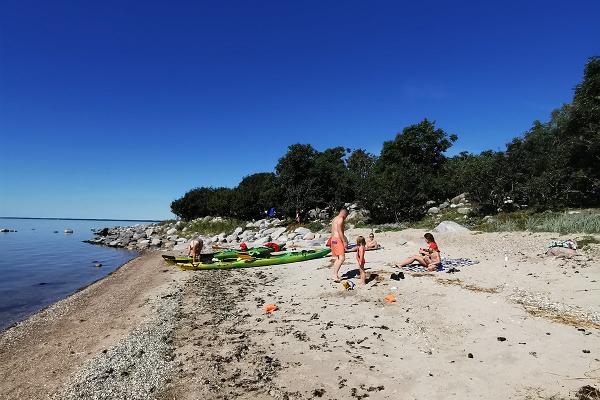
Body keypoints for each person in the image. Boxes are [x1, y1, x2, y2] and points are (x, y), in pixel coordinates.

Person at [330, 208, 348, 282]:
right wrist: (344, 241)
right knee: (342, 258)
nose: (346, 217)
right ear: (344, 213)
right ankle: (334, 275)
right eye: (346, 215)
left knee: (338, 258)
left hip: (333, 239)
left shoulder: (335, 218)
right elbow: (340, 231)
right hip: (337, 240)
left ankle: (335, 274)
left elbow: (332, 230)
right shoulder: (341, 219)